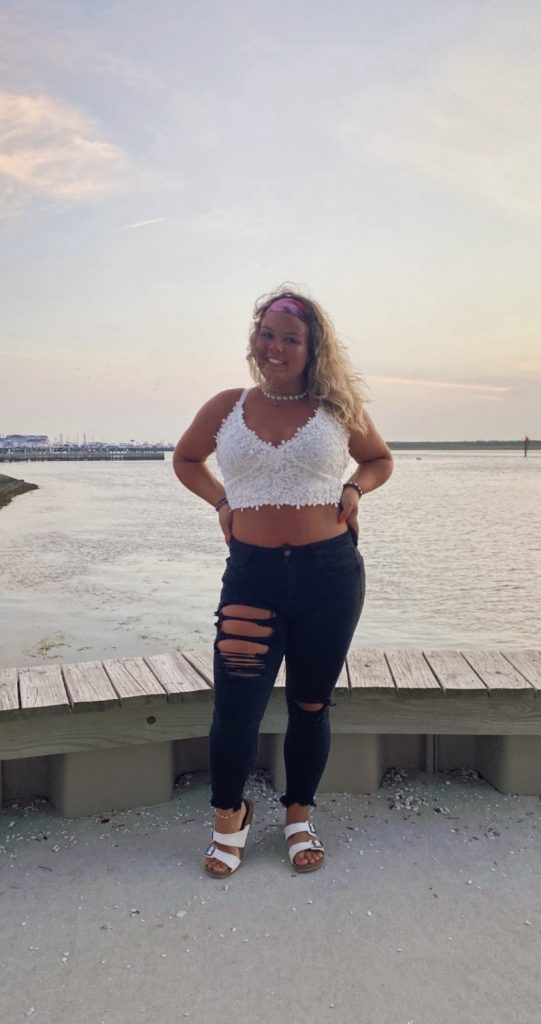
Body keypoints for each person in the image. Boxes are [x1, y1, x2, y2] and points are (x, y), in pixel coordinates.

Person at [173, 287, 393, 877]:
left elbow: (379, 460)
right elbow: (186, 459)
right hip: (253, 577)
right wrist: (222, 502)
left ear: (311, 348)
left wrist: (354, 488)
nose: (275, 347)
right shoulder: (227, 406)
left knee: (311, 702)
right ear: (255, 338)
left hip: (330, 575)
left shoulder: (337, 407)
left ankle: (299, 815)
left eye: (290, 339)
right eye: (267, 334)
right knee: (236, 708)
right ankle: (230, 816)